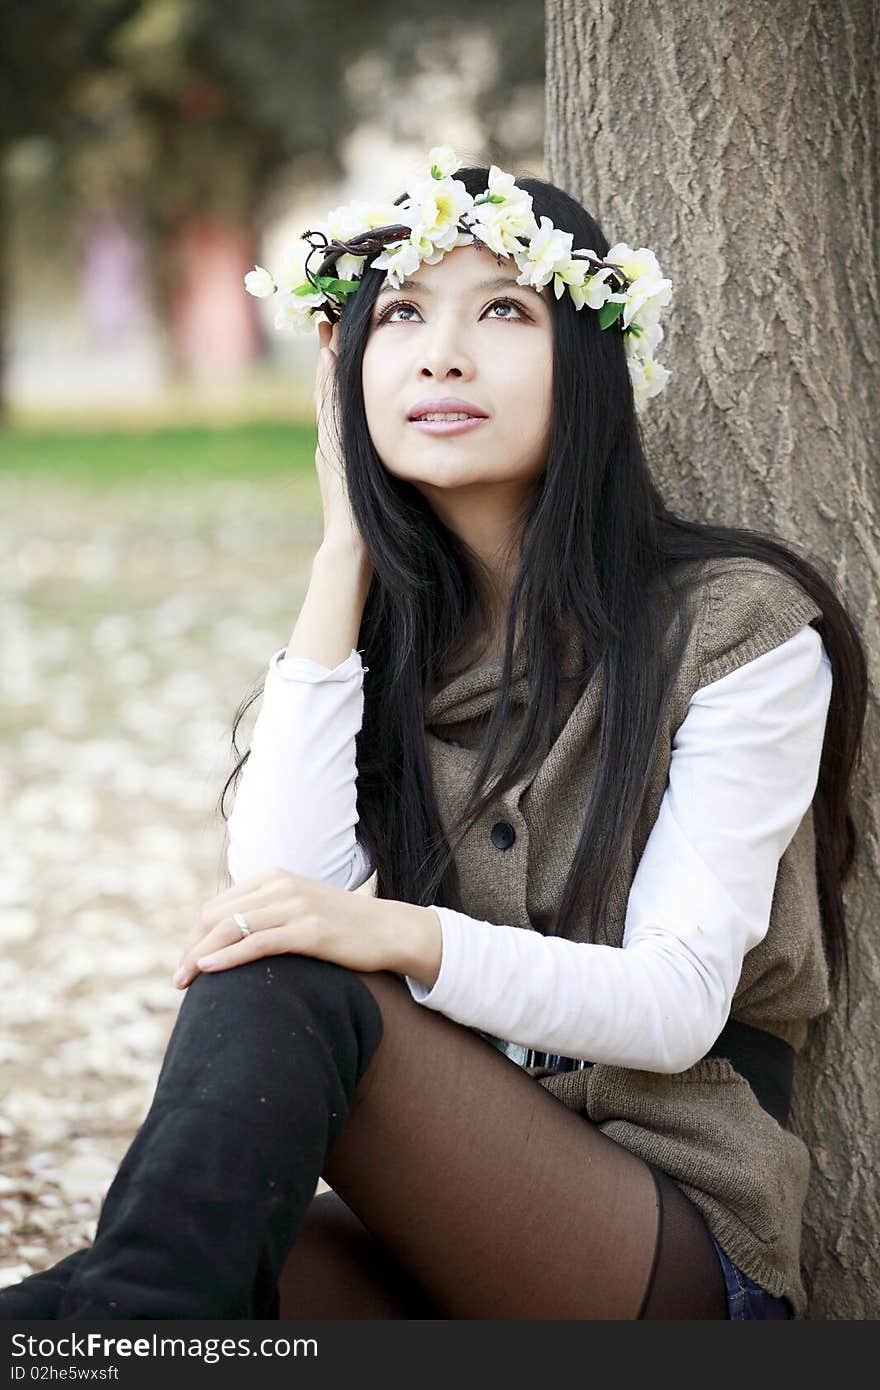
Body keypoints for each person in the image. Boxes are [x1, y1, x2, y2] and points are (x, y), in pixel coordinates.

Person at [0, 150, 867, 1321]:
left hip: (669, 1261)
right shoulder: (389, 647)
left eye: (503, 309)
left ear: (588, 363)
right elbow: (282, 891)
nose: (440, 351)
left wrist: (394, 934)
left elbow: (671, 1004)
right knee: (204, 1291)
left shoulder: (734, 630)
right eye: (399, 312)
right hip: (437, 1231)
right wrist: (341, 548)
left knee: (288, 997)